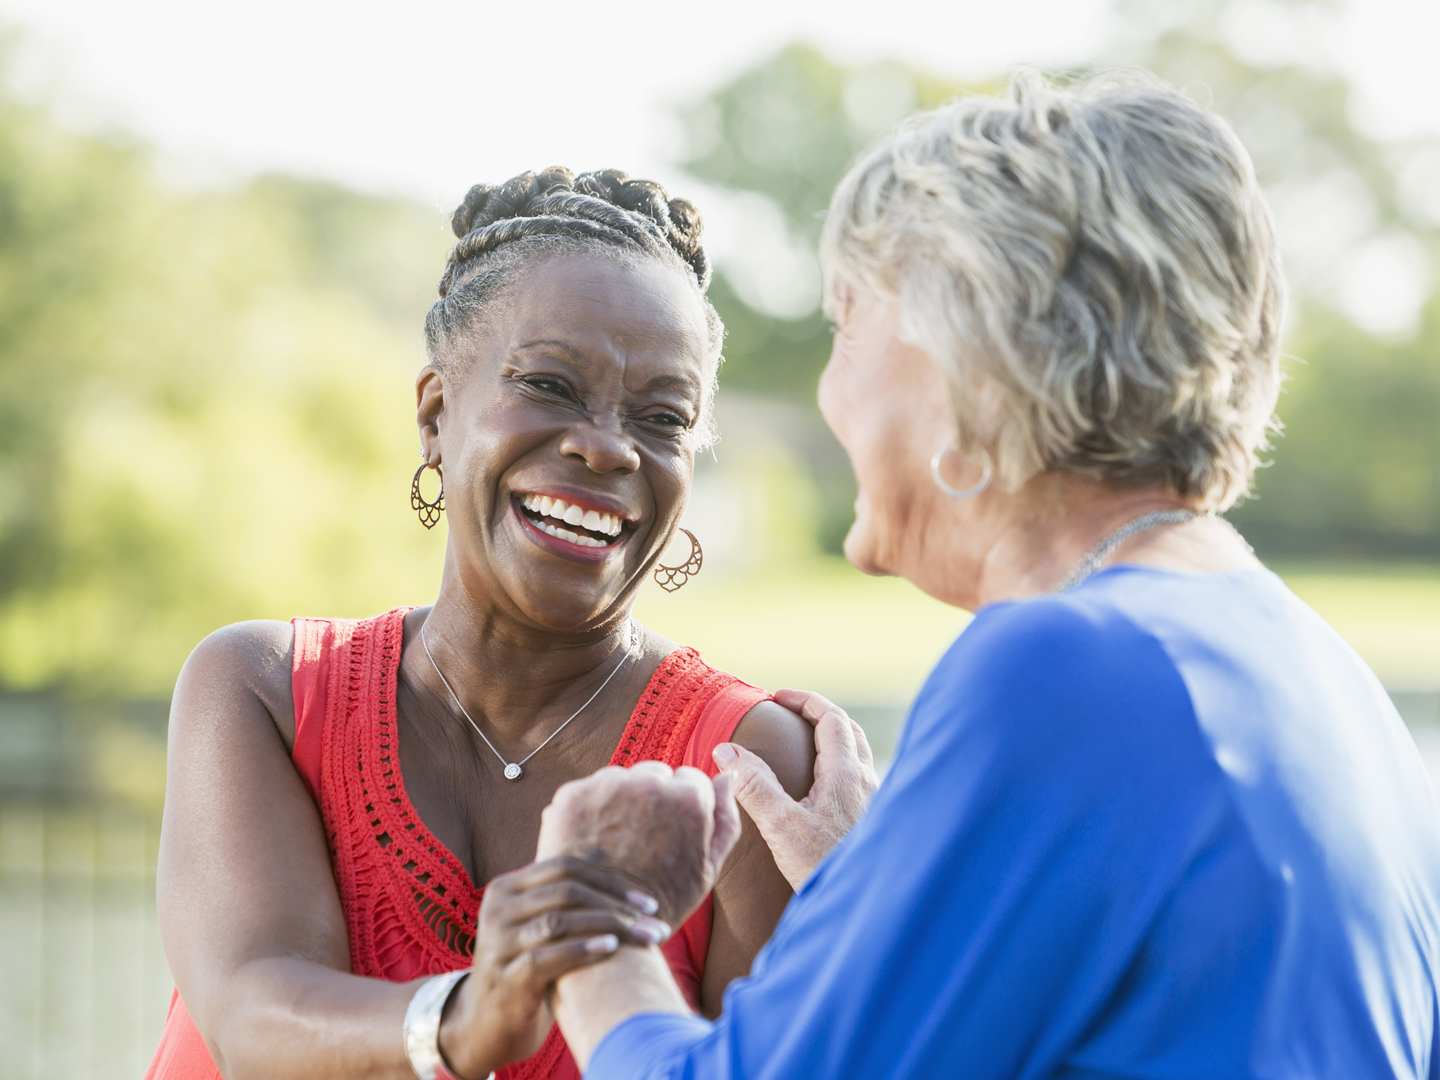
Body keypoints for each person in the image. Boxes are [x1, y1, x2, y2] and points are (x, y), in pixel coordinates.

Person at [521, 73, 1440, 1078]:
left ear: (969, 380)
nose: (829, 390)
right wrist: (880, 891)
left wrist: (594, 911)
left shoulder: (1071, 668)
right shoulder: (1310, 666)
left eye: (847, 327)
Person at [144, 167, 815, 1080]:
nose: (608, 445)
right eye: (549, 385)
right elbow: (253, 1012)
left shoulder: (747, 771)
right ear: (434, 415)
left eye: (662, 417)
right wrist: (473, 1014)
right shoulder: (262, 689)